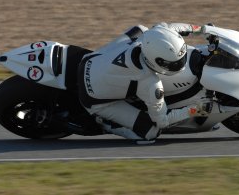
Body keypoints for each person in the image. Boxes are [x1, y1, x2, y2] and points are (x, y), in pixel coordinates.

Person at [77, 22, 212, 144]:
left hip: (89, 60)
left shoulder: (154, 34)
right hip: (94, 99)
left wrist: (203, 29)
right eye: (174, 64)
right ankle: (103, 122)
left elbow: (176, 28)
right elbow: (162, 121)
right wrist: (195, 110)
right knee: (151, 132)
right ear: (157, 62)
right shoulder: (149, 83)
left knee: (140, 29)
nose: (181, 64)